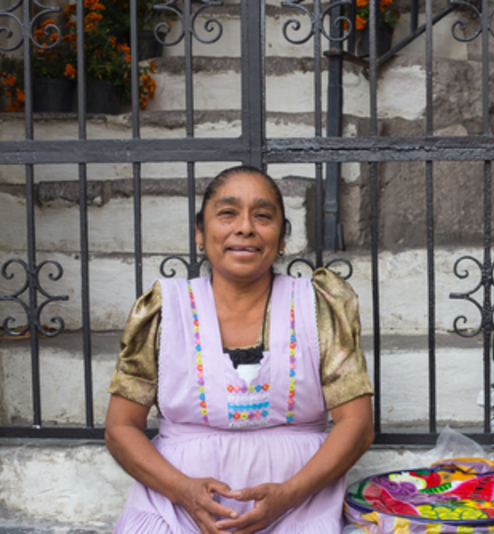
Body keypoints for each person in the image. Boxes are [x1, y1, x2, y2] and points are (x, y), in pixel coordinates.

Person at [105, 165, 374, 534]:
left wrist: (289, 494)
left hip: (300, 505)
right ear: (200, 233)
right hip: (174, 507)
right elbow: (120, 428)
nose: (245, 227)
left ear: (281, 239)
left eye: (262, 216)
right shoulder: (165, 310)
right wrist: (182, 491)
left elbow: (357, 425)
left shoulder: (316, 306)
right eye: (227, 213)